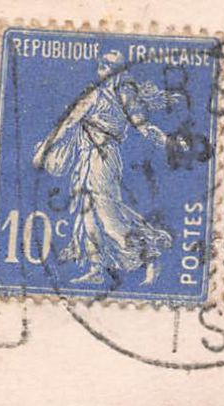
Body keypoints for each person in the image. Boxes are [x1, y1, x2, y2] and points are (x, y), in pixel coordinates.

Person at [32, 52, 175, 286]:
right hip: (85, 160)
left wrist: (166, 141)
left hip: (103, 160)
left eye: (108, 64)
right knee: (86, 214)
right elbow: (66, 123)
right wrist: (44, 150)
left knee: (108, 215)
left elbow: (143, 126)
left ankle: (150, 256)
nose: (102, 66)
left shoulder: (123, 97)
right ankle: (96, 267)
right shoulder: (92, 94)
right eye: (101, 62)